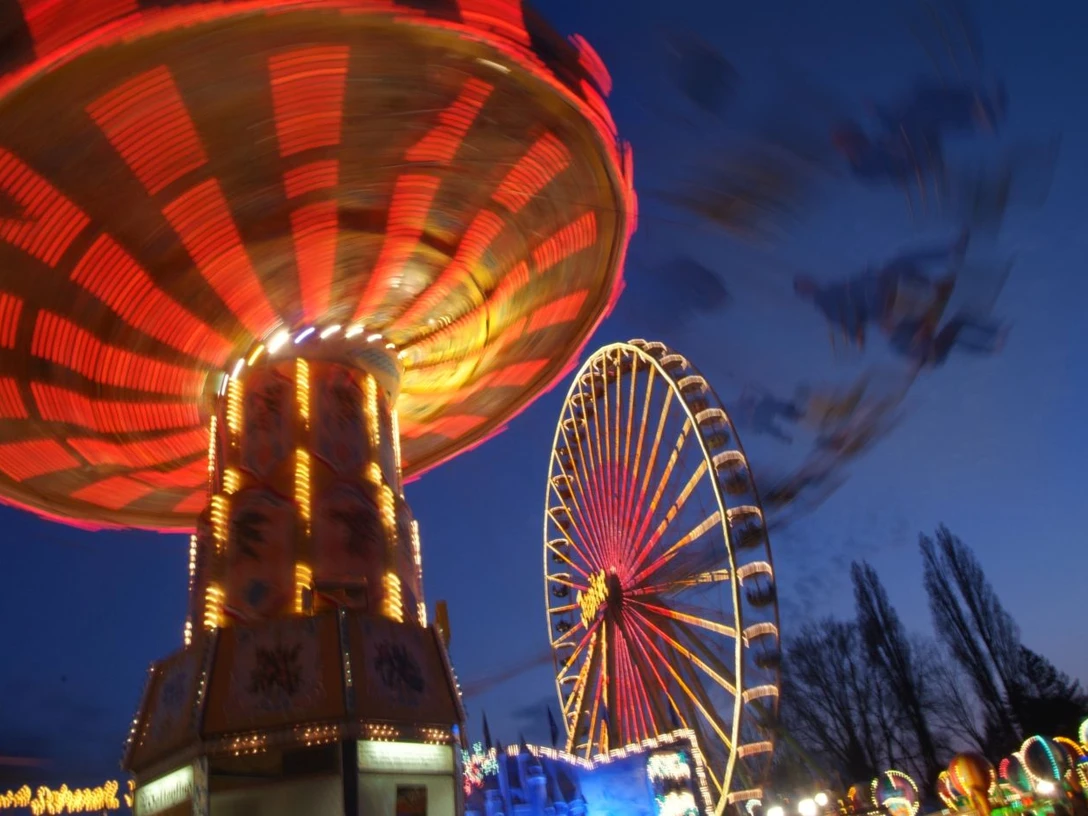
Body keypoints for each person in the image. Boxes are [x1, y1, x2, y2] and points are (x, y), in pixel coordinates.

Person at [794, 229, 968, 350]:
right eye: (805, 285)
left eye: (807, 280)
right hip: (879, 298)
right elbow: (851, 324)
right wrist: (859, 331)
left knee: (903, 259)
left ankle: (951, 252)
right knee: (903, 262)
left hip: (881, 284)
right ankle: (942, 276)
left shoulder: (834, 288)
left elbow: (856, 287)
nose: (810, 282)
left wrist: (869, 274)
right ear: (806, 293)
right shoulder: (827, 305)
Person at [889, 310, 1009, 368]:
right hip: (933, 353)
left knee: (956, 332)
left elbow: (924, 323)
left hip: (934, 349)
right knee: (957, 330)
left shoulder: (905, 325)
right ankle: (992, 340)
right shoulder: (899, 342)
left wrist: (925, 327)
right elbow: (914, 356)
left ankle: (991, 341)